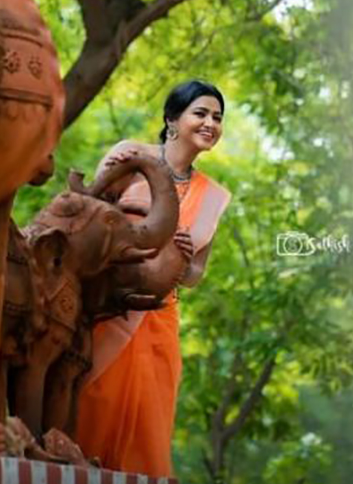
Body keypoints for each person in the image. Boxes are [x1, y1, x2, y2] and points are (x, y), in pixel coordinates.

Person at [75, 80, 232, 477]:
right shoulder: (132, 156)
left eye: (217, 117)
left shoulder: (213, 197)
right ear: (172, 119)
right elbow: (87, 215)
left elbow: (194, 276)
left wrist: (183, 259)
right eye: (200, 113)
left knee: (147, 431)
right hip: (106, 311)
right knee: (94, 405)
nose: (210, 123)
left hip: (159, 321)